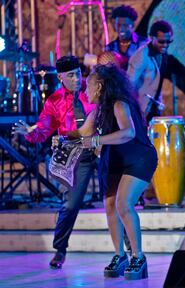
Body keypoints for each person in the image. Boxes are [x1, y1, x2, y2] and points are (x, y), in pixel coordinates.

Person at [72, 64, 157, 280]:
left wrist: (96, 140)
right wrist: (55, 138)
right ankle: (120, 255)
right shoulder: (97, 112)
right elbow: (81, 134)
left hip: (138, 158)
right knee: (109, 205)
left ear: (99, 86)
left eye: (88, 86)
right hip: (116, 162)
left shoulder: (120, 104)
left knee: (123, 204)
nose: (85, 91)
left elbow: (128, 132)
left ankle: (138, 257)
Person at [12, 56, 97, 269]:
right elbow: (42, 130)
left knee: (116, 202)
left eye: (78, 73)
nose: (77, 79)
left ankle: (127, 249)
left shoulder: (93, 91)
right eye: (71, 75)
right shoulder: (54, 101)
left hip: (103, 148)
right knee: (70, 204)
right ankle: (60, 249)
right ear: (60, 77)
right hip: (76, 156)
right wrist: (29, 133)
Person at [127, 20, 173, 122]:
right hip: (141, 109)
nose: (165, 45)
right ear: (152, 38)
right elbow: (129, 85)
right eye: (161, 41)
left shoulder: (162, 52)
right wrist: (136, 110)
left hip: (154, 106)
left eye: (168, 42)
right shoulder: (141, 56)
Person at [105, 5, 147, 70]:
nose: (121, 29)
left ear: (133, 25)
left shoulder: (144, 44)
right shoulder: (110, 48)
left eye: (125, 25)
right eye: (118, 25)